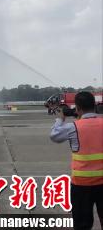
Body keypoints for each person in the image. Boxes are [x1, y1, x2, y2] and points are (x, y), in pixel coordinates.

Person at [50, 91, 103, 230]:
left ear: (78, 108)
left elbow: (55, 136)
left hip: (81, 185)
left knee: (82, 225)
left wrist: (60, 118)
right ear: (94, 106)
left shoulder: (74, 127)